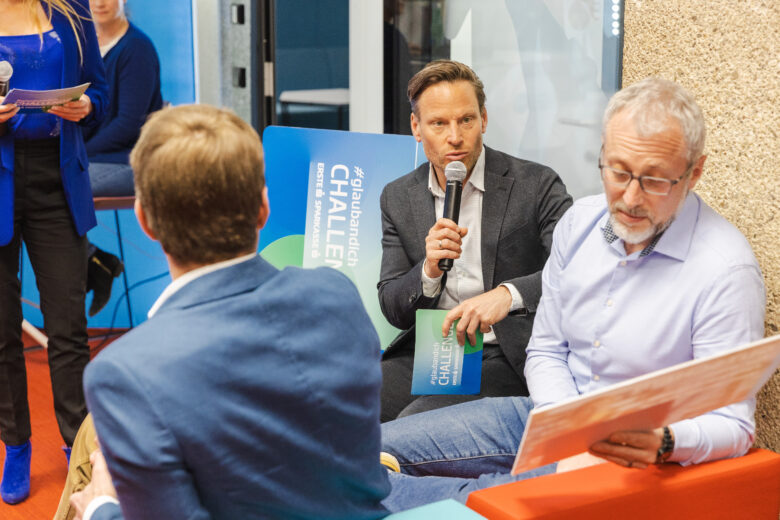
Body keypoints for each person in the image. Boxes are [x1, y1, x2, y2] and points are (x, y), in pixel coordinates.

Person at [379, 77, 766, 511]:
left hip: (634, 450)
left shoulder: (724, 270)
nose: (630, 198)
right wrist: (567, 430)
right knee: (367, 450)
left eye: (655, 180)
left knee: (476, 497)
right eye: (618, 172)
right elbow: (547, 349)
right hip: (545, 413)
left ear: (694, 172)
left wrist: (666, 441)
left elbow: (734, 424)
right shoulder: (581, 223)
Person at [68, 104, 390, 520]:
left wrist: (100, 508)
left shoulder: (124, 373)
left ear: (144, 220)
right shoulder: (337, 292)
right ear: (263, 208)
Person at [378, 59, 572, 421]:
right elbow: (393, 306)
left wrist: (508, 295)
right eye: (439, 123)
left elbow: (578, 266)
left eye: (465, 120)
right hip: (434, 349)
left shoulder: (536, 184)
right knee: (345, 406)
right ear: (416, 128)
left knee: (414, 425)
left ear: (483, 119)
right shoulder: (398, 196)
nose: (455, 137)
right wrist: (428, 271)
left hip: (505, 352)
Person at [0, 0, 108, 505]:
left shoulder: (73, 10)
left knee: (68, 327)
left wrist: (87, 108)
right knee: (1, 329)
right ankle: (16, 445)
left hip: (59, 180)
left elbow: (100, 91)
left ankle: (76, 448)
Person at [83, 0, 163, 316]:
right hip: (95, 156)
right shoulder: (82, 48)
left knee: (58, 184)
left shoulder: (136, 48)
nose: (100, 2)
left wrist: (76, 155)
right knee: (37, 179)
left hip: (130, 161)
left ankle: (94, 262)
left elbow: (129, 124)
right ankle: (95, 260)